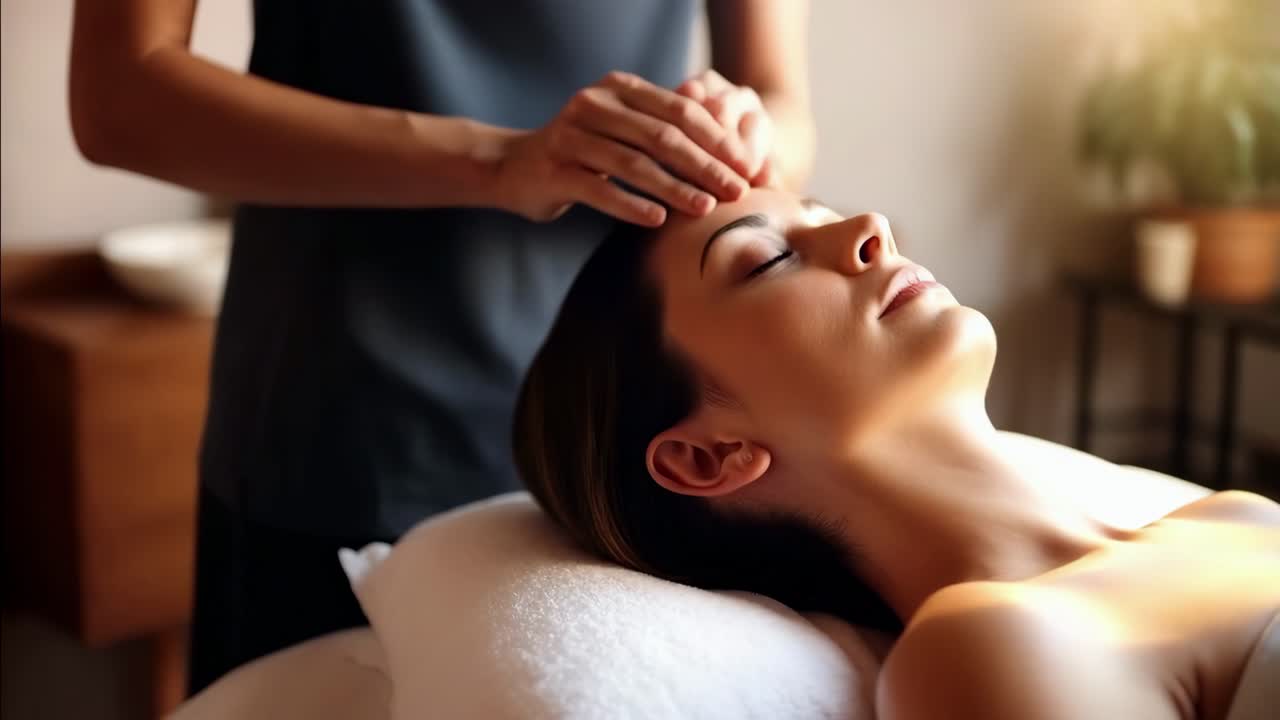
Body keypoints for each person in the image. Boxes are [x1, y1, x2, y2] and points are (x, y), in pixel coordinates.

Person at [68, 0, 816, 693]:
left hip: (621, 447)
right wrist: (497, 162)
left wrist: (742, 130)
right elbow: (120, 96)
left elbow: (782, 99)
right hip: (340, 434)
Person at [513, 187, 1280, 719]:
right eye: (769, 260)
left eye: (823, 213)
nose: (869, 225)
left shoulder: (1234, 517)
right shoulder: (991, 648)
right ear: (708, 457)